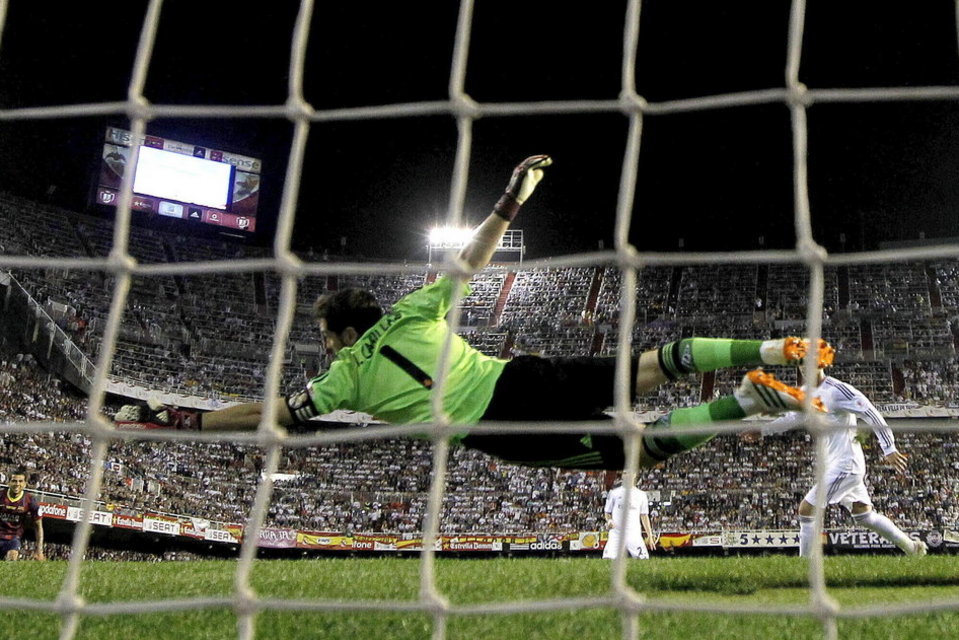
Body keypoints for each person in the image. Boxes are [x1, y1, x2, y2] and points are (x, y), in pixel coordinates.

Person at [116, 155, 834, 470]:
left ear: (338, 335)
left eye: (325, 337)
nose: (327, 347)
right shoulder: (412, 310)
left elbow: (269, 414)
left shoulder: (341, 383)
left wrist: (183, 419)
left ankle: (741, 402)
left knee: (634, 449)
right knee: (648, 365)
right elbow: (473, 260)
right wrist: (511, 199)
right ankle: (762, 353)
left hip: (494, 426)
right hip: (520, 376)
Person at [744, 367, 927, 557]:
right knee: (864, 515)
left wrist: (889, 448)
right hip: (834, 463)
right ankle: (913, 548)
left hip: (847, 464)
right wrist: (763, 430)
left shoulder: (838, 391)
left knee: (806, 510)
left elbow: (871, 413)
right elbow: (793, 417)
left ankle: (803, 568)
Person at [603, 474, 656, 559]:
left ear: (634, 475)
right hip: (616, 533)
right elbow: (607, 512)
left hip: (634, 534)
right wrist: (609, 521)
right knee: (608, 560)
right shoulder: (614, 493)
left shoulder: (641, 495)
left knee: (643, 560)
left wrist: (649, 535)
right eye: (624, 473)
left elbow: (644, 516)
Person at [1, 467, 45, 561]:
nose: (17, 484)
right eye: (14, 481)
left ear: (25, 484)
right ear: (8, 482)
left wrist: (39, 551)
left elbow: (38, 526)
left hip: (12, 538)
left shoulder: (29, 500)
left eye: (20, 481)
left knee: (12, 558)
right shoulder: (1, 496)